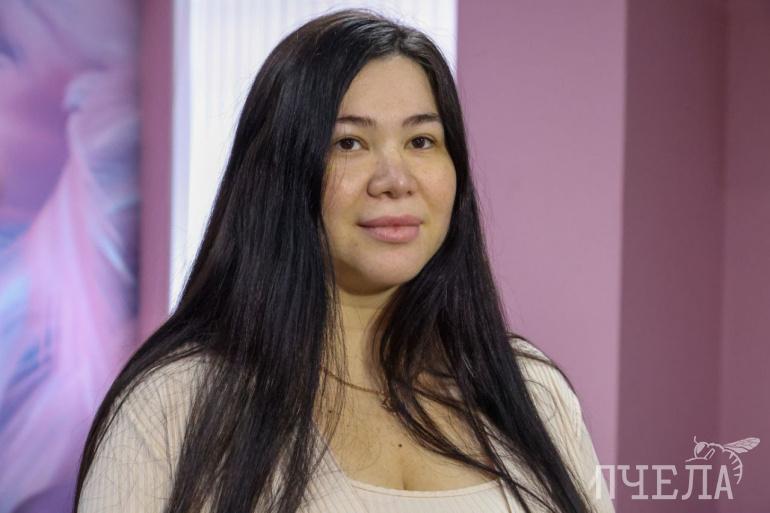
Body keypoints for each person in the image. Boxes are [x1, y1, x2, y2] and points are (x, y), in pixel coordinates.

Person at [74, 8, 614, 513]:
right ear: (279, 174)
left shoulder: (530, 391)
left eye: (422, 141)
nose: (395, 180)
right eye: (349, 144)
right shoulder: (175, 405)